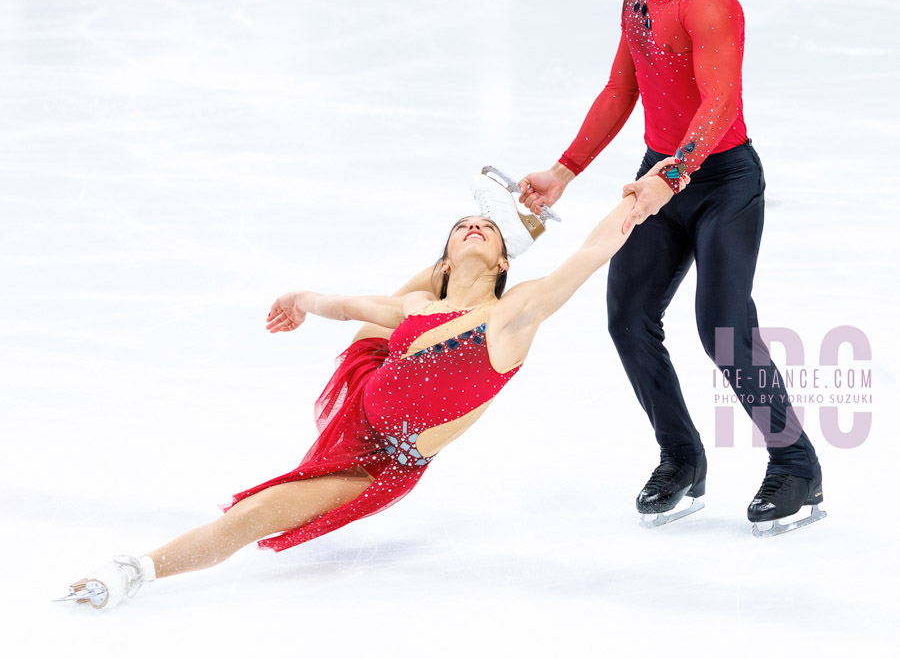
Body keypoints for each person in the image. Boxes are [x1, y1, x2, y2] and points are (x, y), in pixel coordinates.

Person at [57, 166, 684, 610]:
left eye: (485, 229)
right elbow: (351, 303)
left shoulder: (516, 311)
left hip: (387, 459)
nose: (472, 228)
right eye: (462, 226)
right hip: (370, 386)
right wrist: (304, 299)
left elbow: (596, 250)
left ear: (502, 262)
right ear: (442, 258)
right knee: (384, 313)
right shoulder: (414, 301)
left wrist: (646, 194)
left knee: (254, 514)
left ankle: (136, 571)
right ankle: (140, 566)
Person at [516, 0, 823, 532]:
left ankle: (796, 465)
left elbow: (719, 104)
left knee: (721, 325)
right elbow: (620, 90)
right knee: (627, 316)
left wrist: (672, 176)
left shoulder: (713, 3)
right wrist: (564, 171)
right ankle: (681, 458)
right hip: (659, 175)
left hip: (721, 181)